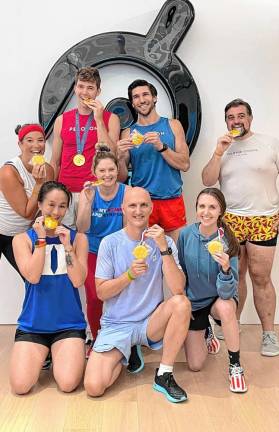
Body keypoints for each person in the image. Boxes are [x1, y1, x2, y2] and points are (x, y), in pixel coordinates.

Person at [84, 187, 191, 403]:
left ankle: (164, 374)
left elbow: (178, 288)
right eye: (132, 205)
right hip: (116, 324)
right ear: (123, 208)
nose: (138, 210)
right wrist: (129, 275)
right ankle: (127, 351)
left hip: (150, 323)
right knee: (94, 387)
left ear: (151, 208)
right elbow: (101, 292)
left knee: (181, 303)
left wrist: (163, 249)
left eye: (144, 205)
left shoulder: (165, 242)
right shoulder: (110, 243)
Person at [202, 99, 279, 356]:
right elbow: (207, 180)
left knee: (260, 276)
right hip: (232, 219)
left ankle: (269, 333)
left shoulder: (269, 143)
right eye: (231, 117)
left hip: (264, 218)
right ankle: (230, 322)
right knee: (235, 274)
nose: (236, 121)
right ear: (227, 122)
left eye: (241, 116)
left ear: (250, 118)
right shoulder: (224, 148)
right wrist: (217, 152)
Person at [10, 181, 88, 395]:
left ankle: (56, 352)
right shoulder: (21, 240)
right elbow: (33, 277)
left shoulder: (78, 239)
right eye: (51, 205)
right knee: (20, 386)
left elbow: (78, 280)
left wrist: (68, 247)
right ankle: (45, 353)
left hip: (68, 324)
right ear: (40, 205)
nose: (56, 211)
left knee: (68, 384)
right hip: (33, 325)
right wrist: (42, 240)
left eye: (62, 206)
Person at [178, 188, 247, 393]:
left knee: (226, 308)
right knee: (195, 365)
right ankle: (207, 331)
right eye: (202, 206)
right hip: (196, 301)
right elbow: (181, 273)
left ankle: (235, 366)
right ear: (196, 208)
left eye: (212, 207)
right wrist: (184, 303)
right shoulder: (185, 235)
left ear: (220, 212)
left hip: (220, 297)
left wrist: (225, 269)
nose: (206, 212)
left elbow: (227, 292)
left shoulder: (227, 240)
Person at [117, 79, 190, 242]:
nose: (141, 100)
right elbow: (121, 178)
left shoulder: (173, 125)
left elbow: (185, 164)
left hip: (172, 201)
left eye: (145, 94)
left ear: (155, 98)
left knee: (176, 255)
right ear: (132, 103)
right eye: (136, 97)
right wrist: (120, 158)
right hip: (141, 204)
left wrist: (161, 146)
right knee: (144, 256)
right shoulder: (128, 132)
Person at [76, 145, 131, 355]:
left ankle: (124, 338)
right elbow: (82, 228)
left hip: (117, 250)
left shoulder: (127, 192)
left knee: (121, 294)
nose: (107, 175)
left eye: (111, 170)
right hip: (92, 250)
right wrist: (87, 204)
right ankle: (97, 338)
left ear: (117, 170)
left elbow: (128, 229)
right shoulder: (88, 192)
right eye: (102, 170)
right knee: (94, 296)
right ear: (94, 172)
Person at [50, 66, 120, 228]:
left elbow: (112, 154)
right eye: (81, 86)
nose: (85, 92)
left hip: (95, 191)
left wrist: (99, 119)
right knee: (65, 240)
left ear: (98, 91)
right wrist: (50, 194)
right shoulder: (62, 120)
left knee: (90, 240)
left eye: (90, 88)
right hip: (65, 193)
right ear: (75, 88)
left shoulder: (110, 119)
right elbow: (55, 162)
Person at [0, 123, 53, 276]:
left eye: (40, 140)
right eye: (29, 140)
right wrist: (38, 183)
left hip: (21, 235)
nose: (36, 145)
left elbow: (44, 207)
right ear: (20, 144)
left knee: (33, 278)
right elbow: (27, 213)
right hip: (2, 231)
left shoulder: (48, 170)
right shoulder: (8, 172)